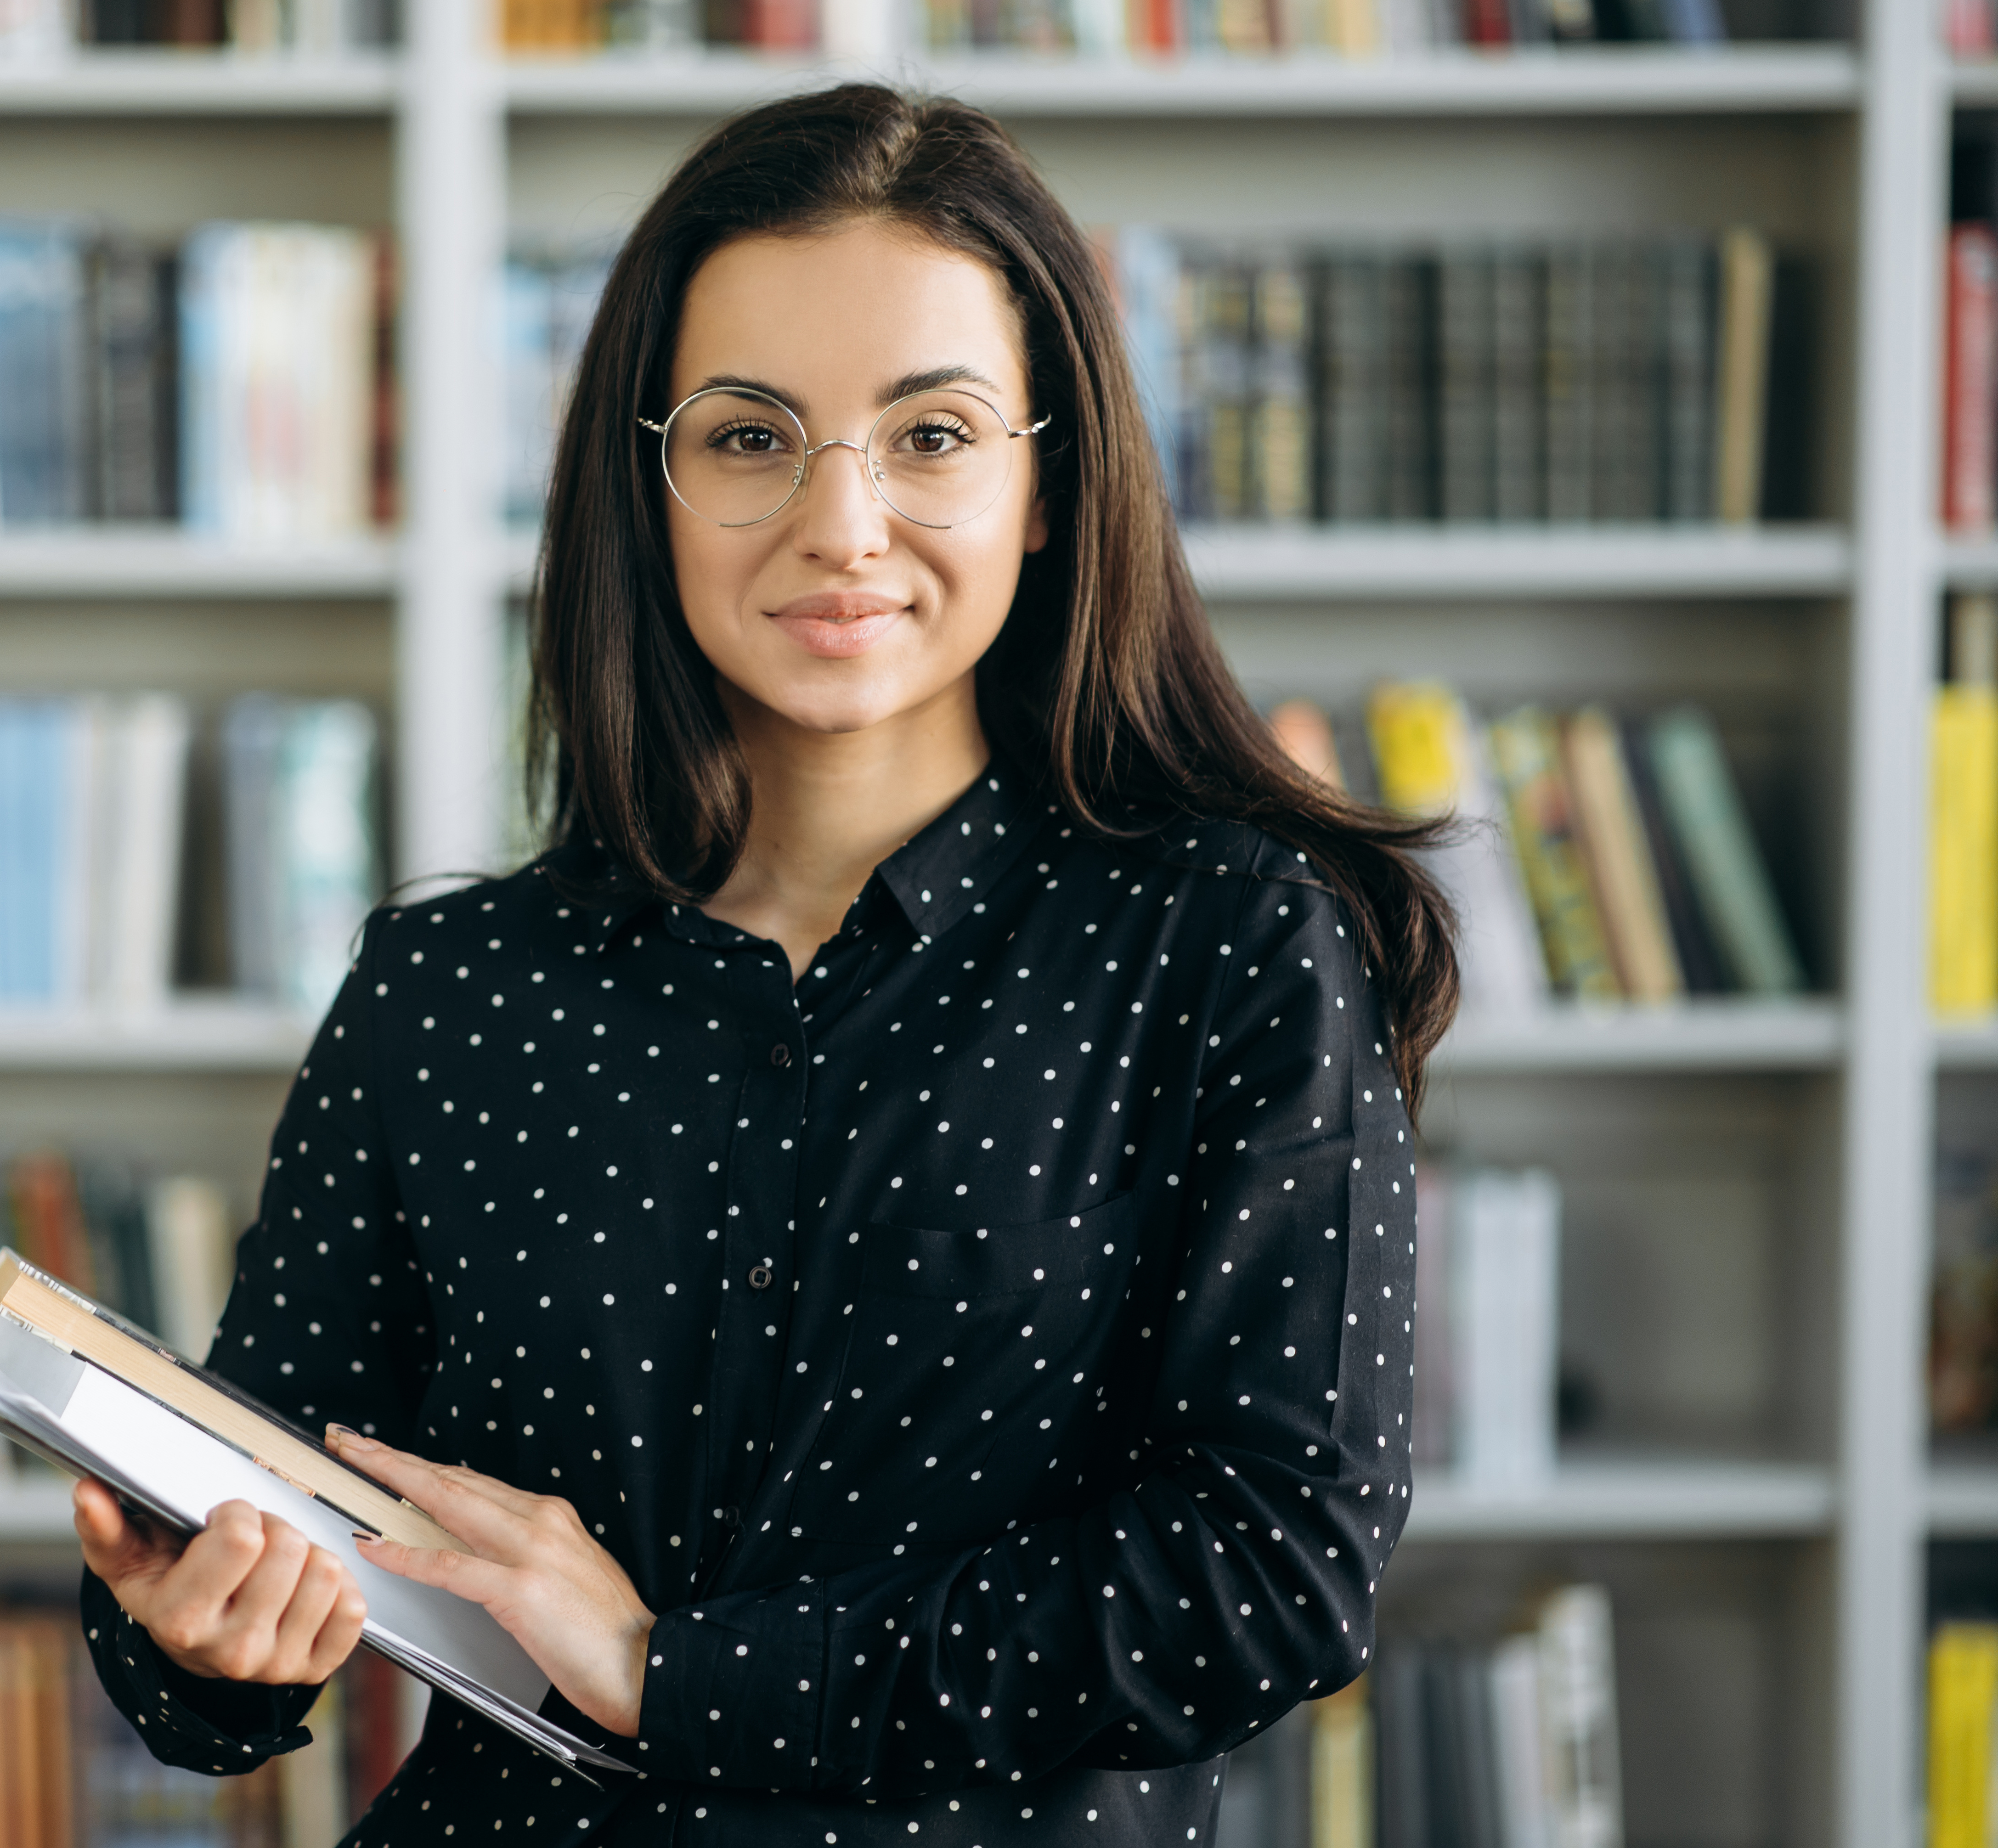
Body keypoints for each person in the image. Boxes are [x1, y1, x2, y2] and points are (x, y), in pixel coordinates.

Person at [71, 81, 1458, 1847]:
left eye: (933, 435)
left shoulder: (1229, 950)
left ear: (1050, 484)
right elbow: (248, 1562)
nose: (843, 522)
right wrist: (194, 1636)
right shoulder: (447, 992)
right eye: (749, 438)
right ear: (649, 487)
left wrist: (676, 1672)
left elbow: (1274, 1571)